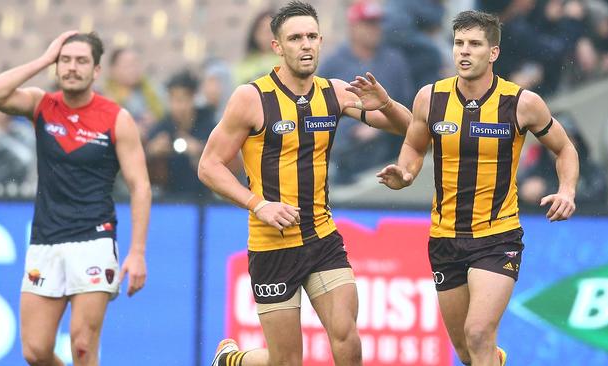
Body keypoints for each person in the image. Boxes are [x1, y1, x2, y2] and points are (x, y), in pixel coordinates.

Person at [198, 2, 411, 365]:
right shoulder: (252, 98)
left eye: (312, 36)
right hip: (271, 247)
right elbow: (209, 166)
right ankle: (233, 360)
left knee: (348, 341)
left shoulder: (336, 92)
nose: (306, 44)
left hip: (322, 238)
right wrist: (259, 205)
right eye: (295, 38)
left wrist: (387, 103)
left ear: (322, 41)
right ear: (277, 46)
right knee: (287, 360)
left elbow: (409, 127)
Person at [377, 10, 579, 366]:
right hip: (444, 238)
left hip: (497, 236)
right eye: (458, 43)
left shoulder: (522, 103)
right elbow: (413, 146)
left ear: (493, 53)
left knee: (478, 333)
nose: (464, 52)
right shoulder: (431, 98)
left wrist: (566, 190)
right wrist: (405, 174)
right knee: (468, 352)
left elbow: (565, 148)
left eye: (474, 44)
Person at [0, 31, 151, 366]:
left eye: (82, 61)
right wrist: (44, 59)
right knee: (35, 351)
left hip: (94, 238)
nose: (72, 68)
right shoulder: (41, 104)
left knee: (83, 346)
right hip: (45, 239)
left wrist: (138, 252)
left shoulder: (117, 118)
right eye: (65, 60)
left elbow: (140, 186)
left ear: (96, 70)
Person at [320, 0, 414, 185]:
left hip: (385, 146)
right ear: (353, 27)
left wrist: (376, 126)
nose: (375, 29)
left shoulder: (394, 60)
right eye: (368, 23)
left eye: (377, 23)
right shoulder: (334, 62)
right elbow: (317, 105)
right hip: (340, 150)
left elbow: (407, 104)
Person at [146, 69, 215, 200]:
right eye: (174, 100)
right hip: (169, 201)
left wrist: (200, 151)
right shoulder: (163, 127)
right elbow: (141, 166)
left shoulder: (208, 123)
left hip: (206, 200)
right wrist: (152, 152)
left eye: (183, 99)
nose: (179, 106)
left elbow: (229, 162)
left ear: (193, 98)